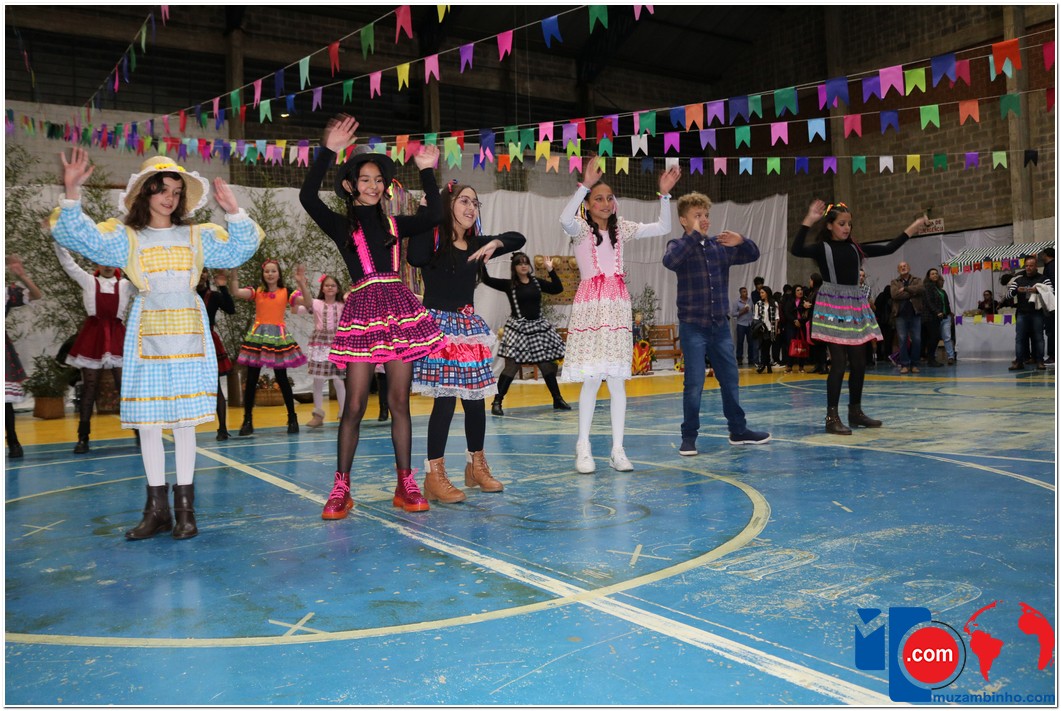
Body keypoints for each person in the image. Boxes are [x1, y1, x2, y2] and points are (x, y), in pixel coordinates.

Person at [53, 148, 262, 539]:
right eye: (162, 189)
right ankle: (157, 511)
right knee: (149, 424)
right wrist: (71, 192)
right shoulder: (126, 237)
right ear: (144, 192)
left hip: (189, 333)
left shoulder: (197, 235)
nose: (170, 197)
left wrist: (234, 211)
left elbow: (241, 249)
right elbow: (79, 237)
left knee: (184, 424)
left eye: (176, 191)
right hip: (147, 333)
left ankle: (185, 512)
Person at [298, 114, 447, 517]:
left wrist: (427, 171)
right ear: (350, 185)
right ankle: (341, 488)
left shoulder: (395, 224)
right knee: (355, 404)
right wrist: (328, 150)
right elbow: (308, 198)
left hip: (398, 311)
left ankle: (405, 483)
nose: (373, 185)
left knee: (399, 400)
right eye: (364, 179)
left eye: (378, 180)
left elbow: (435, 215)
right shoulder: (341, 225)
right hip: (363, 312)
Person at [560, 158, 681, 472]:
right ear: (588, 205)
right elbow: (564, 218)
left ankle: (617, 449)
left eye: (609, 198)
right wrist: (585, 185)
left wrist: (664, 195)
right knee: (591, 379)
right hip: (590, 308)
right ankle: (583, 447)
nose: (605, 203)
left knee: (616, 381)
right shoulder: (580, 229)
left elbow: (664, 227)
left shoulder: (622, 229)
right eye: (598, 198)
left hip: (616, 307)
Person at [408, 184, 525, 501]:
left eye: (475, 202)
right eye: (464, 201)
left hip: (468, 329)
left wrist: (496, 243)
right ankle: (434, 475)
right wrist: (425, 210)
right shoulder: (434, 240)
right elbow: (414, 256)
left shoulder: (476, 244)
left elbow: (518, 239)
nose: (471, 207)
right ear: (448, 205)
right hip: (440, 328)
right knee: (445, 400)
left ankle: (476, 466)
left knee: (475, 401)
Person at [791, 200, 928, 434]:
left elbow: (889, 248)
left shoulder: (856, 249)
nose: (847, 228)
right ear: (830, 225)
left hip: (854, 306)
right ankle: (831, 418)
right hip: (832, 307)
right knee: (838, 363)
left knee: (859, 362)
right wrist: (808, 220)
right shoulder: (822, 248)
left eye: (849, 224)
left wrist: (913, 228)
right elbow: (796, 249)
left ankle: (855, 412)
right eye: (842, 224)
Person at [663, 191, 770, 455]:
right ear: (683, 220)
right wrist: (695, 236)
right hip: (693, 326)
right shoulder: (678, 245)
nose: (704, 219)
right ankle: (689, 437)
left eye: (706, 215)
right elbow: (670, 261)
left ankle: (738, 430)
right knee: (694, 383)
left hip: (720, 326)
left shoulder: (718, 247)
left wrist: (741, 240)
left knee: (730, 379)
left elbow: (753, 254)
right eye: (697, 215)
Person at [52, 243, 134, 453]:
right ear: (97, 263)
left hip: (117, 337)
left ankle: (140, 433)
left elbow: (146, 281)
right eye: (103, 261)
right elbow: (68, 264)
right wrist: (57, 239)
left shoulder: (126, 285)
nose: (108, 265)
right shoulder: (88, 281)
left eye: (112, 261)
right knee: (89, 388)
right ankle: (83, 438)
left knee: (125, 387)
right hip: (93, 337)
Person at [481, 251, 569, 416]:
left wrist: (551, 270)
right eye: (520, 263)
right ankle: (497, 402)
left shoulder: (537, 282)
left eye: (526, 263)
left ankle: (557, 399)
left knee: (546, 364)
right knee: (512, 365)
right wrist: (482, 264)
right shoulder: (509, 285)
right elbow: (487, 280)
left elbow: (558, 288)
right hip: (518, 329)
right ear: (514, 267)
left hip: (537, 328)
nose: (523, 265)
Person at [231, 260, 307, 435]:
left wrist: (302, 284)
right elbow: (235, 291)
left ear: (279, 274)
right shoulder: (257, 291)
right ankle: (247, 420)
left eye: (273, 271)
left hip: (277, 338)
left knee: (282, 378)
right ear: (263, 274)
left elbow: (308, 302)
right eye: (267, 271)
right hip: (258, 337)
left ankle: (292, 418)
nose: (270, 274)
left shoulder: (286, 291)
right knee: (251, 379)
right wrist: (234, 272)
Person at [293, 271, 348, 429]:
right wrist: (300, 287)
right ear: (322, 288)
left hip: (337, 343)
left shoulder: (343, 305)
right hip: (320, 344)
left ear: (338, 289)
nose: (330, 288)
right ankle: (318, 415)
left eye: (333, 285)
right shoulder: (316, 303)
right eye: (327, 285)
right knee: (317, 379)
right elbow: (296, 310)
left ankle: (344, 414)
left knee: (338, 379)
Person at [6, 254, 43, 459]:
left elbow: (36, 295)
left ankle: (13, 442)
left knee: (4, 400)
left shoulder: (5, 292)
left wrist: (22, 276)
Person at [196, 268, 236, 440]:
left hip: (208, 341)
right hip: (188, 342)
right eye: (198, 271)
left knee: (216, 385)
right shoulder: (186, 296)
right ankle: (184, 428)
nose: (201, 274)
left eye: (204, 271)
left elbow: (231, 309)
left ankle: (223, 428)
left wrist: (223, 287)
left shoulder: (213, 296)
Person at [1007, 254, 1050, 371]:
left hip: (1037, 313)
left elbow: (1052, 293)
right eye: (1026, 266)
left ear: (1036, 266)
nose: (1028, 268)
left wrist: (1038, 290)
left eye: (1031, 266)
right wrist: (1016, 290)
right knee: (1020, 338)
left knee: (1039, 338)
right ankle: (1019, 361)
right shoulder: (1018, 280)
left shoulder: (1043, 279)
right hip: (1022, 313)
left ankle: (1040, 361)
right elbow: (1008, 295)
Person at [890, 261, 926, 375]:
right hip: (900, 315)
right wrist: (912, 292)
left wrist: (905, 289)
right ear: (898, 270)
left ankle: (915, 364)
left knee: (917, 339)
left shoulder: (917, 280)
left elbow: (921, 289)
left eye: (905, 266)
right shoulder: (894, 282)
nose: (903, 268)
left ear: (909, 268)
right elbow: (895, 295)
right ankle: (905, 364)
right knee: (902, 340)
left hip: (915, 314)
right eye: (900, 267)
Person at [923, 268, 956, 366]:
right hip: (933, 317)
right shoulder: (928, 287)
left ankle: (949, 357)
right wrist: (937, 312)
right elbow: (929, 302)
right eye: (932, 274)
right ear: (928, 276)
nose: (935, 275)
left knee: (945, 337)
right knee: (934, 338)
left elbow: (946, 303)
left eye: (936, 273)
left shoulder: (940, 290)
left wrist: (949, 313)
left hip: (944, 316)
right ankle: (931, 358)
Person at [752, 285, 778, 374]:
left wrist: (776, 329)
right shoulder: (758, 304)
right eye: (760, 293)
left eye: (762, 292)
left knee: (766, 347)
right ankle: (766, 365)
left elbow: (777, 317)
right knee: (764, 348)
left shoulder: (774, 303)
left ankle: (765, 365)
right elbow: (756, 317)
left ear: (767, 293)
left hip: (771, 329)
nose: (761, 294)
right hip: (762, 329)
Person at [731, 286, 755, 367]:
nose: (746, 293)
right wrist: (742, 311)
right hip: (741, 324)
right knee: (740, 342)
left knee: (751, 342)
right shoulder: (737, 302)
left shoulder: (750, 301)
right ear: (740, 293)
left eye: (746, 291)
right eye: (744, 292)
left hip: (750, 324)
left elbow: (753, 311)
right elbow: (733, 314)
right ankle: (739, 359)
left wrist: (753, 319)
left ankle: (751, 359)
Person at [1040, 247, 1055, 364]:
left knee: (1051, 330)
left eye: (1042, 254)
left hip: (1052, 304)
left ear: (1046, 255)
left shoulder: (1051, 267)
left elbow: (1051, 285)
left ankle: (1053, 355)